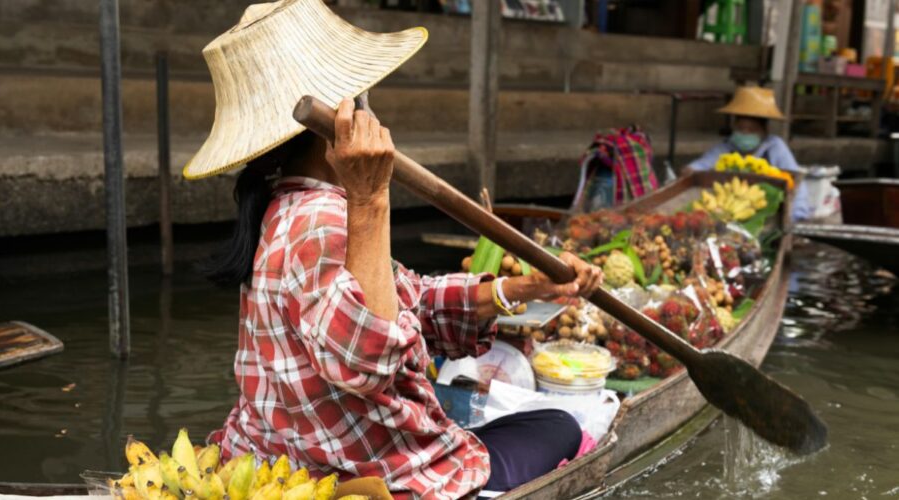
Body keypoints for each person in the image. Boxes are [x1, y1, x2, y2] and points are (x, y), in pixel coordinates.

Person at [184, 2, 604, 498]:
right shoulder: (325, 219)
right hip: (363, 479)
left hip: (290, 457)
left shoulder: (286, 206)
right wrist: (370, 196)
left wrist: (526, 288)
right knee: (560, 425)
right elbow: (367, 364)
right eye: (366, 100)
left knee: (488, 412)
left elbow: (413, 300)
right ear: (348, 118)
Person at [684, 86, 811, 220]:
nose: (745, 133)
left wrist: (797, 215)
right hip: (731, 211)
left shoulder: (775, 147)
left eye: (751, 130)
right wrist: (690, 170)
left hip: (771, 215)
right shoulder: (726, 147)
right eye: (740, 129)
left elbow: (796, 183)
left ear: (764, 131)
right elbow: (702, 165)